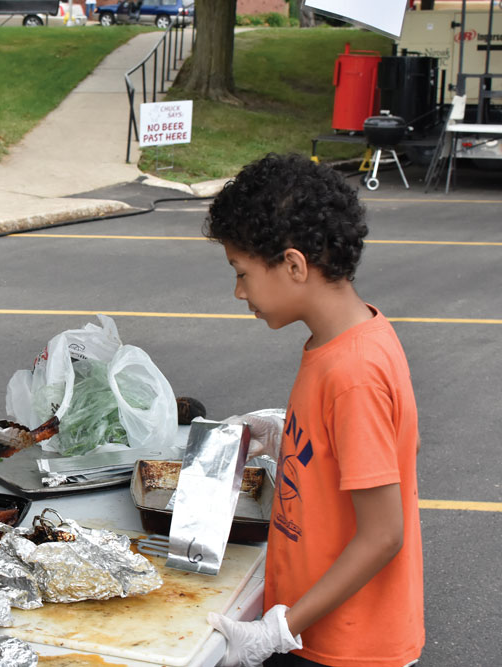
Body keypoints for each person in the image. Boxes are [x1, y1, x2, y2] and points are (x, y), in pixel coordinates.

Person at [202, 154, 424, 667]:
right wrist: (285, 437)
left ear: (295, 264)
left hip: (348, 646)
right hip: (319, 628)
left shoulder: (353, 372)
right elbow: (371, 452)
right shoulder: (344, 340)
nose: (239, 292)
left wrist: (278, 629)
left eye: (242, 273)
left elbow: (383, 534)